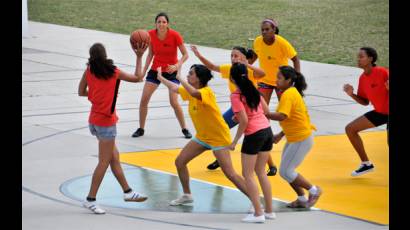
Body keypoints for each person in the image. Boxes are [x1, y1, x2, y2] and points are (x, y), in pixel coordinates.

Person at [156, 64, 249, 208]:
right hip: (202, 137)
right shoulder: (191, 90)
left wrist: (179, 77)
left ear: (199, 79)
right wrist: (160, 77)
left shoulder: (206, 92)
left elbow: (194, 93)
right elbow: (174, 88)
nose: (188, 75)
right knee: (180, 162)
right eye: (188, 73)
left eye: (191, 74)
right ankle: (187, 195)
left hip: (218, 137)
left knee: (230, 174)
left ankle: (255, 200)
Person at [78, 43, 148, 214]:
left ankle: (128, 192)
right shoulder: (113, 72)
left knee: (114, 158)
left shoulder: (88, 71)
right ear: (105, 54)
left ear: (91, 56)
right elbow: (138, 77)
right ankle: (90, 199)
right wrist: (139, 56)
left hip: (94, 121)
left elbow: (81, 92)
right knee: (103, 162)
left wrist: (95, 94)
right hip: (106, 124)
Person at [191, 45, 278, 176]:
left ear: (244, 57)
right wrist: (199, 56)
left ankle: (271, 165)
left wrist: (247, 65)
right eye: (231, 55)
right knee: (221, 128)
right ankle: (221, 159)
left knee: (258, 137)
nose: (233, 58)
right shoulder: (230, 69)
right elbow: (213, 67)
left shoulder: (248, 70)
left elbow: (262, 73)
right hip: (237, 108)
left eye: (236, 55)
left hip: (251, 108)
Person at [266, 66, 322, 209]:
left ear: (288, 80)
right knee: (286, 171)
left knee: (286, 171)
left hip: (301, 139)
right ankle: (302, 199)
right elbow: (293, 117)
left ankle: (314, 191)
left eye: (279, 78)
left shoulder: (289, 94)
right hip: (294, 137)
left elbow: (282, 115)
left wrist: (263, 113)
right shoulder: (290, 92)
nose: (276, 80)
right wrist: (280, 134)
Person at [132, 12, 192, 139]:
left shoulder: (175, 35)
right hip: (155, 71)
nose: (161, 24)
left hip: (171, 72)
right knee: (144, 100)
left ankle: (185, 129)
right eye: (159, 22)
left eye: (163, 22)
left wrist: (176, 65)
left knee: (174, 102)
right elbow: (150, 55)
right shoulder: (150, 35)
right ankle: (141, 128)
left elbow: (186, 55)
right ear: (156, 23)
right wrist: (143, 71)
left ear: (167, 24)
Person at [228, 63, 276, 223]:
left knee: (247, 174)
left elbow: (244, 121)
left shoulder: (236, 95)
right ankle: (269, 211)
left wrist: (234, 141)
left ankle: (258, 213)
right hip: (267, 131)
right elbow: (267, 111)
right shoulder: (254, 90)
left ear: (232, 78)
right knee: (261, 172)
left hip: (254, 134)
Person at [343, 47, 389, 176]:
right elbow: (365, 102)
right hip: (381, 112)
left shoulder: (383, 72)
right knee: (350, 129)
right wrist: (351, 94)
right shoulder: (363, 78)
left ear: (371, 59)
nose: (358, 59)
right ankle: (366, 164)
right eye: (358, 56)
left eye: (361, 56)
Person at [249, 18, 301, 105]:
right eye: (262, 30)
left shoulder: (282, 43)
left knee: (285, 109)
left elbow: (295, 59)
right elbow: (255, 55)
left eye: (267, 29)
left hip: (281, 82)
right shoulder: (258, 41)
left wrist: (297, 78)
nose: (264, 32)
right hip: (264, 80)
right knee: (262, 110)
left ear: (274, 30)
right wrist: (245, 65)